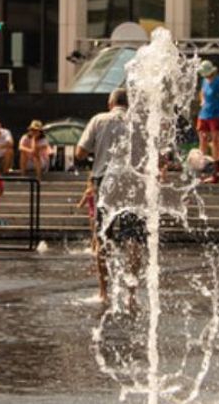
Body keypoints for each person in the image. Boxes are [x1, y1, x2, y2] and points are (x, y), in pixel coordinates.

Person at [76, 88, 148, 306]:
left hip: (106, 180)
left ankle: (103, 292)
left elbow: (80, 152)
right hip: (135, 182)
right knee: (134, 238)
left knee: (103, 236)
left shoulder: (99, 120)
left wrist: (98, 153)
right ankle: (132, 295)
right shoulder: (140, 121)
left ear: (111, 103)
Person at [75, 176, 97, 254]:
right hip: (98, 213)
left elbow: (81, 204)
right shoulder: (97, 190)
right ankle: (96, 248)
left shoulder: (88, 191)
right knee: (97, 232)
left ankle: (94, 249)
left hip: (92, 214)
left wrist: (77, 205)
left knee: (94, 233)